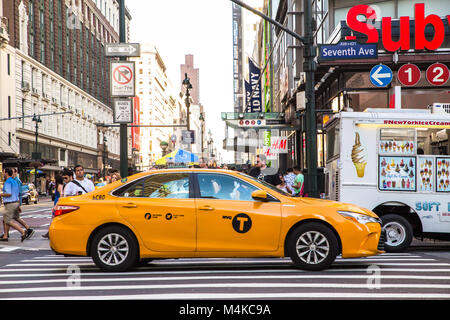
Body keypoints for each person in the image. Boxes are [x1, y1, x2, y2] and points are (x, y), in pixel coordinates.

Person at [0, 168, 34, 242]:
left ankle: (22, 231)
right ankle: (5, 235)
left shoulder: (8, 182)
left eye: (3, 172)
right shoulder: (15, 182)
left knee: (7, 220)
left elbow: (9, 193)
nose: (3, 173)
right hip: (15, 202)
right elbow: (17, 193)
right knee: (13, 218)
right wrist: (18, 205)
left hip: (10, 203)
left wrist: (1, 194)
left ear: (6, 173)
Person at [42, 175, 64, 239]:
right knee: (54, 218)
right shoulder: (59, 185)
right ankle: (49, 233)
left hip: (57, 202)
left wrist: (57, 205)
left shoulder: (59, 186)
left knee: (54, 218)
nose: (54, 180)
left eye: (55, 179)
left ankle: (50, 233)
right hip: (56, 202)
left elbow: (61, 194)